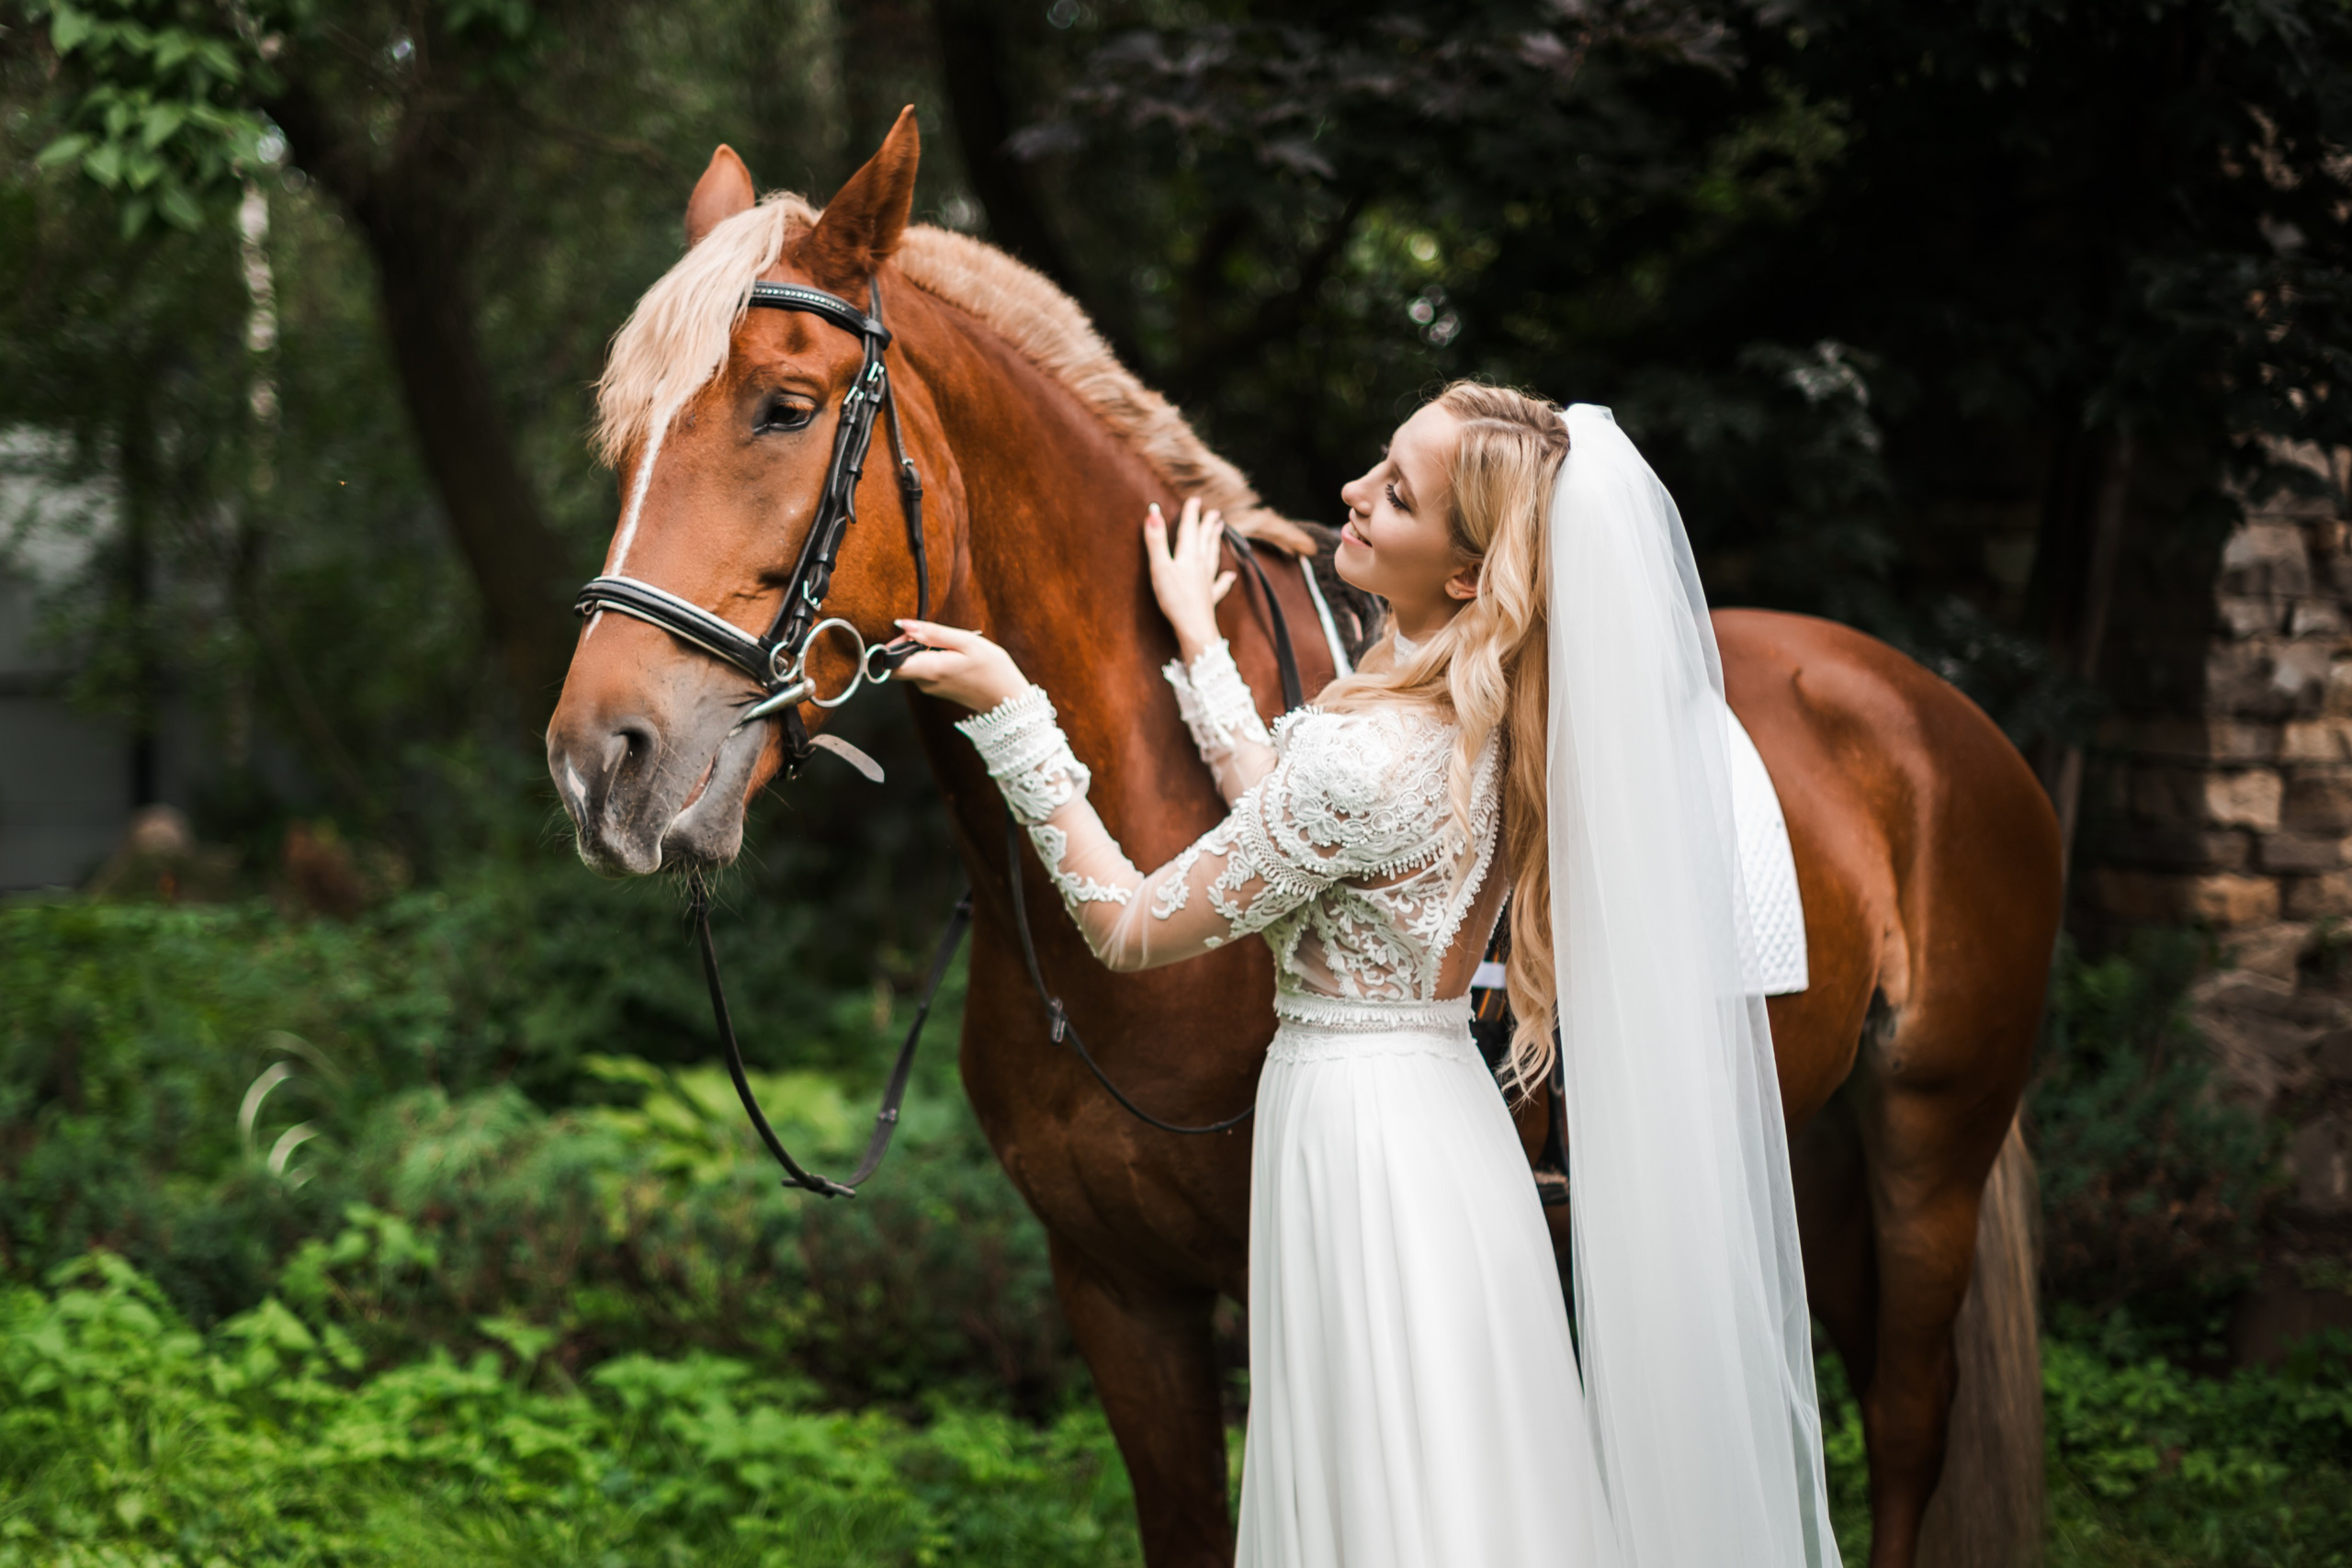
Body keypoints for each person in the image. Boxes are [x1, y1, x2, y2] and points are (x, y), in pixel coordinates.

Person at [894, 383, 1838, 1568]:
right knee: (1459, 1470)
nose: (1351, 494)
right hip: (1443, 1124)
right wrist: (1197, 639)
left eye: (1398, 495)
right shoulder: (1492, 723)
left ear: (1461, 577)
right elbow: (1282, 815)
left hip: (1356, 1147)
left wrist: (1012, 712)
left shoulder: (1363, 752)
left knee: (1380, 1483)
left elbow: (1130, 925)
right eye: (1377, 468)